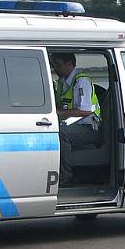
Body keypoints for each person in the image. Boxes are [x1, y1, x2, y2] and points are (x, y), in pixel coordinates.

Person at [51, 52, 101, 186]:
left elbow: (85, 110)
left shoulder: (81, 82)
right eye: (53, 64)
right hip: (74, 124)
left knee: (62, 134)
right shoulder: (62, 82)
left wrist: (59, 112)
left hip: (90, 128)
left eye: (58, 65)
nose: (55, 68)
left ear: (69, 64)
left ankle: (66, 177)